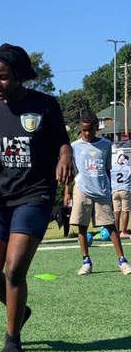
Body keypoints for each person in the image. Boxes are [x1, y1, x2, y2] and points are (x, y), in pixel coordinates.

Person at [0, 43, 74, 352]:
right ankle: (20, 310)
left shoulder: (46, 105)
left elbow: (63, 143)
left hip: (35, 195)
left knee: (14, 269)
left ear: (18, 76)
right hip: (0, 198)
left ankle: (12, 340)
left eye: (2, 77)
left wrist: (66, 155)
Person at [64, 111, 131, 276]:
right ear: (80, 128)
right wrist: (67, 191)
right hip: (81, 189)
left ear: (96, 127)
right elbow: (71, 172)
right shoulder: (75, 146)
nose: (87, 133)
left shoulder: (106, 144)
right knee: (82, 226)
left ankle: (122, 260)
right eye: (84, 130)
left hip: (101, 190)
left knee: (110, 226)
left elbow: (107, 170)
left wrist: (109, 189)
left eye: (90, 129)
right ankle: (86, 261)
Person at [111, 150, 131, 237]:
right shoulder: (128, 168)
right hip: (125, 190)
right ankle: (124, 231)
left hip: (115, 190)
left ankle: (116, 231)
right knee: (125, 212)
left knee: (116, 212)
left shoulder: (113, 168)